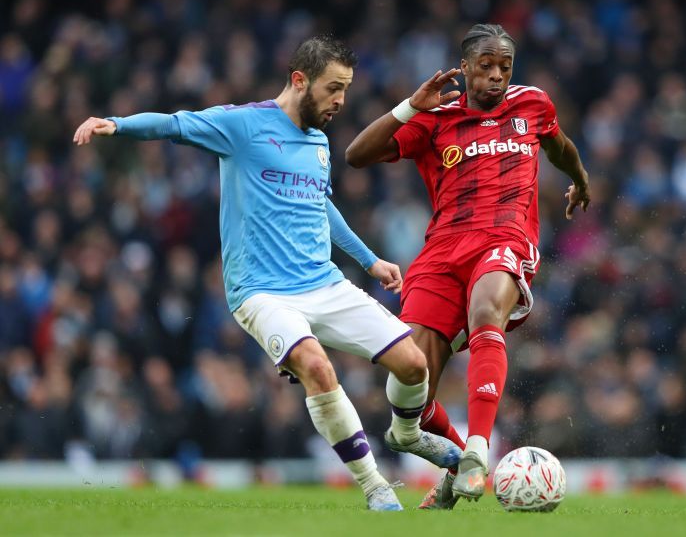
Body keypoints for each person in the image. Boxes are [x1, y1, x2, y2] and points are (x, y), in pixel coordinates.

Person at [73, 35, 461, 511]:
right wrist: (115, 123)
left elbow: (321, 204)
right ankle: (375, 485)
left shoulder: (318, 141)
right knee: (317, 366)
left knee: (414, 363)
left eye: (346, 90)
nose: (341, 101)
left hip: (324, 283)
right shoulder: (243, 125)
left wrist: (370, 261)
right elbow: (175, 125)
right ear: (300, 81)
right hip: (261, 293)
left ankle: (406, 434)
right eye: (333, 88)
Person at [345, 24, 591, 508]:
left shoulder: (532, 104)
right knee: (411, 380)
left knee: (485, 312)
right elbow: (356, 155)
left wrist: (580, 181)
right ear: (464, 68)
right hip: (440, 253)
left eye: (505, 67)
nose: (497, 76)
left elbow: (558, 144)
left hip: (505, 237)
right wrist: (410, 107)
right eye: (486, 66)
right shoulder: (435, 117)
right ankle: (458, 459)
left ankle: (479, 447)